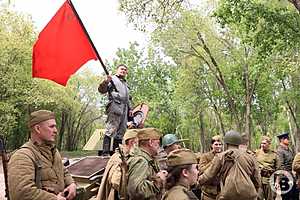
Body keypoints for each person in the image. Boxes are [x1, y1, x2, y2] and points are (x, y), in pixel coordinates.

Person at [8, 110, 76, 200]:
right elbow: (22, 193)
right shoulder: (23, 156)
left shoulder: (54, 152)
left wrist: (71, 184)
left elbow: (63, 171)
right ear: (37, 129)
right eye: (51, 127)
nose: (56, 131)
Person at [198, 130, 261, 200]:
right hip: (249, 194)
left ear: (226, 144)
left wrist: (197, 182)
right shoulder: (250, 157)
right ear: (239, 143)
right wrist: (255, 190)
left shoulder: (221, 156)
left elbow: (208, 175)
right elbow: (257, 179)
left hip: (229, 195)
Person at [98, 64, 132, 155]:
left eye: (125, 70)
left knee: (121, 133)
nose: (123, 71)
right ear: (117, 70)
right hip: (114, 108)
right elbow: (101, 90)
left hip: (124, 110)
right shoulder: (112, 79)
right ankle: (105, 153)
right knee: (110, 130)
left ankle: (116, 154)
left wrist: (130, 109)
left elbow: (128, 99)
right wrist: (105, 81)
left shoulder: (126, 84)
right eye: (121, 69)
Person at [96, 129, 138, 200]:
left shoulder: (124, 155)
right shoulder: (118, 159)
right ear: (131, 143)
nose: (138, 147)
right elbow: (116, 183)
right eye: (137, 143)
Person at [127, 128, 168, 200]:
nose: (159, 146)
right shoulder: (141, 161)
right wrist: (158, 181)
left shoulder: (148, 159)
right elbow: (136, 191)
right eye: (158, 143)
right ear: (151, 142)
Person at [255, 136, 280, 200]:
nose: (262, 145)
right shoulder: (256, 153)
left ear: (269, 144)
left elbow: (278, 170)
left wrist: (277, 182)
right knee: (258, 197)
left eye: (264, 143)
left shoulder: (274, 155)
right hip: (259, 180)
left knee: (270, 198)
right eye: (261, 143)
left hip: (270, 180)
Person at [198, 135, 222, 200]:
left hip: (221, 192)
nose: (218, 146)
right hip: (208, 193)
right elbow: (201, 170)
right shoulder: (205, 156)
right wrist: (213, 161)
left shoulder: (223, 156)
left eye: (220, 144)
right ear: (212, 145)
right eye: (216, 144)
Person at [276, 132, 298, 200]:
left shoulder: (289, 150)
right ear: (282, 140)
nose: (289, 140)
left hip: (292, 176)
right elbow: (281, 166)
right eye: (287, 139)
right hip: (285, 178)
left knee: (295, 196)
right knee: (287, 197)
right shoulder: (280, 151)